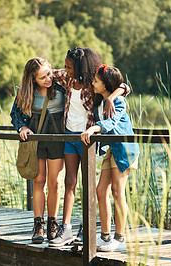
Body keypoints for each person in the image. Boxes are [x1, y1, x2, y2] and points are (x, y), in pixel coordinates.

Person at [49, 47, 131, 247]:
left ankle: (88, 227)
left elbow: (124, 86)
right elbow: (46, 75)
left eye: (69, 66)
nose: (65, 69)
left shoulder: (93, 82)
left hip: (88, 138)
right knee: (70, 181)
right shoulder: (67, 79)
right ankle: (66, 227)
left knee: (90, 185)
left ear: (79, 66)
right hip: (70, 135)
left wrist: (111, 98)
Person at [81, 65, 139, 252]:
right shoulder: (103, 99)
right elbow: (124, 85)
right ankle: (105, 236)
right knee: (100, 190)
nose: (93, 83)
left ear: (106, 85)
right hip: (112, 149)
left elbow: (111, 123)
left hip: (124, 149)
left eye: (96, 81)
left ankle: (119, 238)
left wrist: (94, 128)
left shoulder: (118, 102)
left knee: (117, 191)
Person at [10, 58, 65, 243]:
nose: (48, 79)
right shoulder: (25, 92)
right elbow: (15, 114)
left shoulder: (61, 85)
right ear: (33, 79)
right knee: (39, 180)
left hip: (57, 138)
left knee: (55, 183)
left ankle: (52, 223)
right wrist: (22, 128)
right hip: (36, 139)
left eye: (49, 73)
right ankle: (38, 225)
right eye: (42, 77)